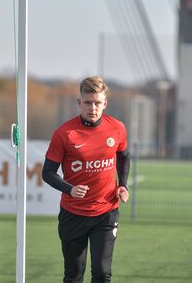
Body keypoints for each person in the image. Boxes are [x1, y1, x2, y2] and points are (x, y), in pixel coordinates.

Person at [42, 76, 130, 283]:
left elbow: (124, 156)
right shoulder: (65, 134)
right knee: (74, 275)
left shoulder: (117, 128)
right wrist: (69, 189)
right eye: (88, 102)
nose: (93, 108)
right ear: (79, 102)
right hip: (73, 214)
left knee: (102, 273)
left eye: (98, 103)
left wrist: (123, 184)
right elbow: (47, 172)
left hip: (106, 212)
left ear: (105, 103)